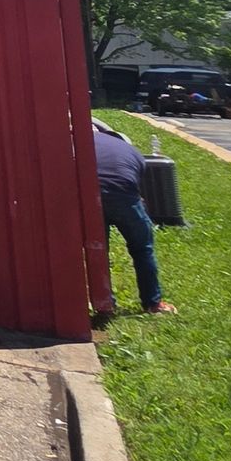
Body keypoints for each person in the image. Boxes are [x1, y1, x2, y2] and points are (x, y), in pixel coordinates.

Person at [90, 119, 176, 319]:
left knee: (98, 252)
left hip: (91, 197)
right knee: (142, 249)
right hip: (126, 196)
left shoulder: (80, 145)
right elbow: (135, 185)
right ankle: (153, 304)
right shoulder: (131, 151)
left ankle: (105, 306)